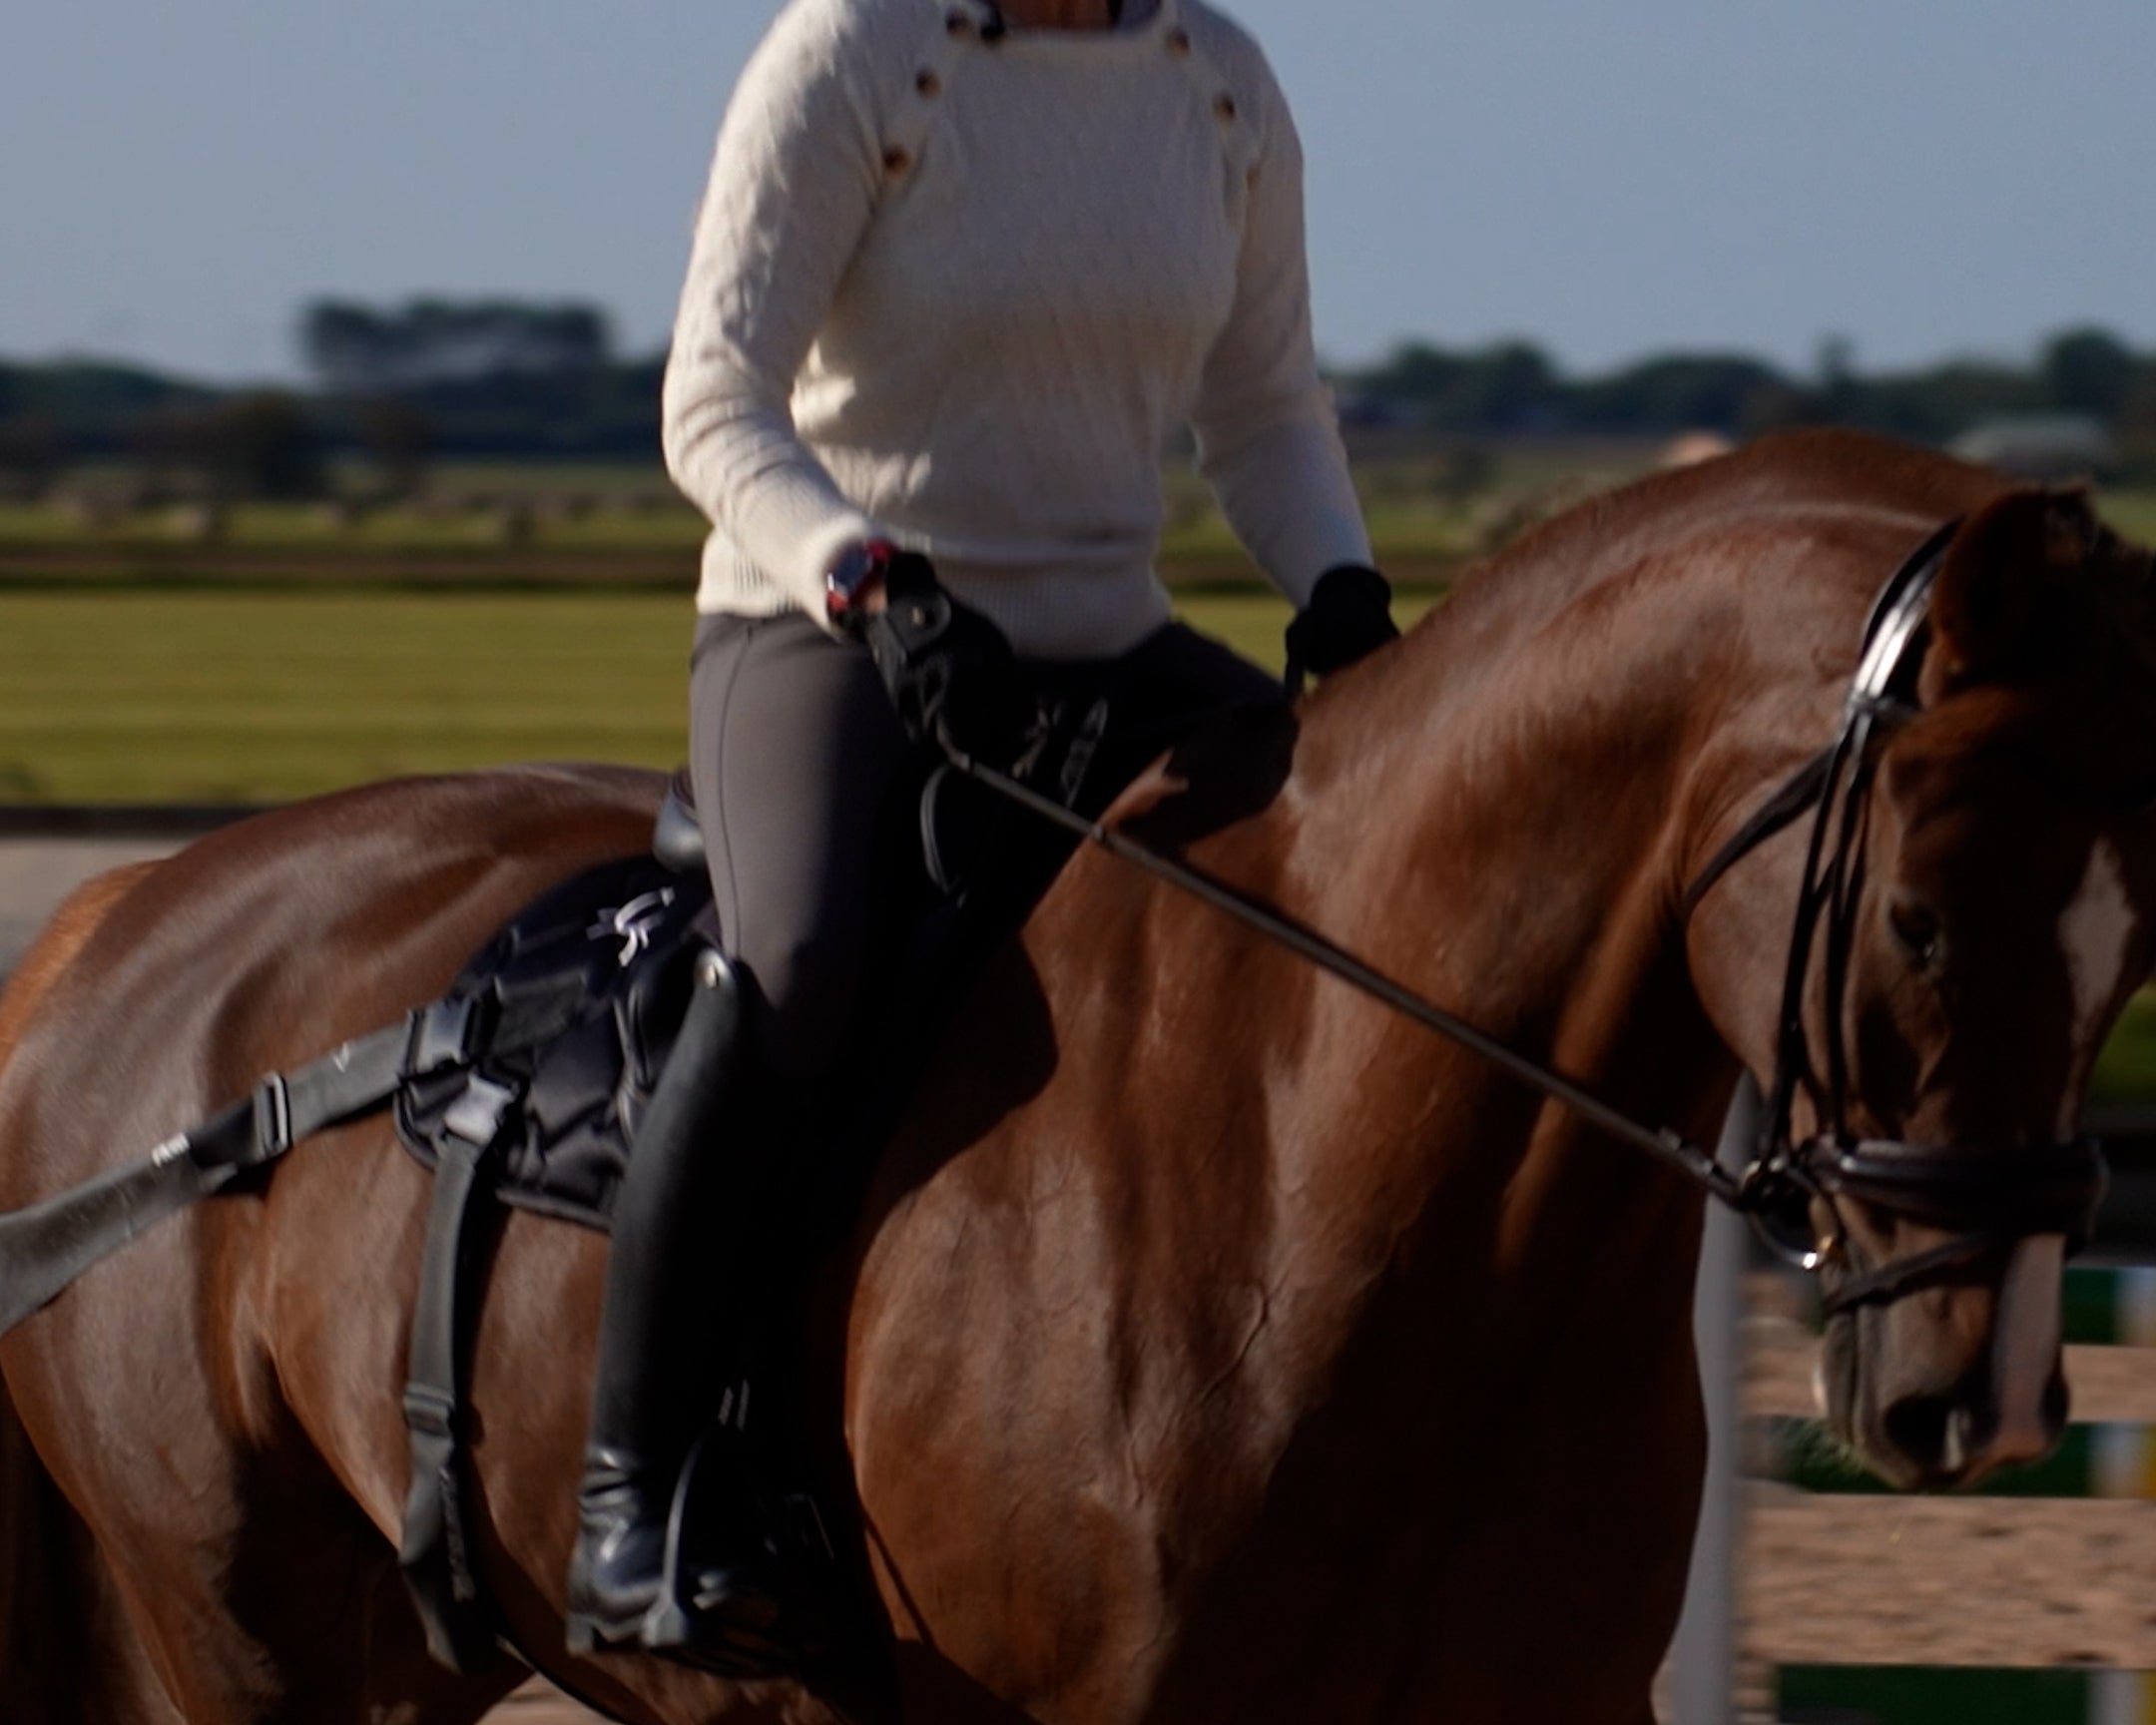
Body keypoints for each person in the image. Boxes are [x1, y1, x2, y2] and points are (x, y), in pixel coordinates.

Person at [565, 0, 1399, 1676]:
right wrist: (868, 577)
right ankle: (631, 1493)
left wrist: (1343, 588)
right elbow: (714, 403)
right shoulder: (854, 57)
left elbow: (1263, 407)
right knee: (797, 965)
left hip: (1109, 636)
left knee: (1354, 921)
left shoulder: (1222, 86)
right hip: (832, 629)